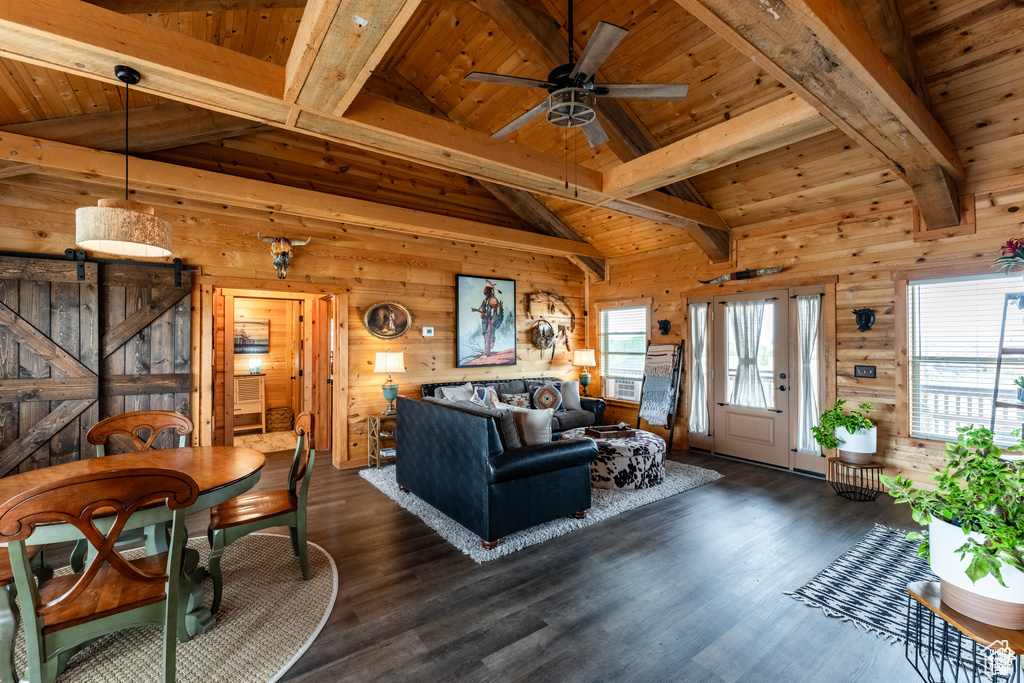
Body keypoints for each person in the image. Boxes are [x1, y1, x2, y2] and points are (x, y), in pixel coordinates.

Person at [471, 280, 504, 357]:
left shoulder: (492, 299)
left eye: (485, 289)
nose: (484, 290)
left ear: (488, 291)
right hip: (485, 320)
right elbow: (484, 310)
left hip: (490, 320)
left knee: (489, 334)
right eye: (484, 289)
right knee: (485, 335)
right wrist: (483, 315)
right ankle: (486, 351)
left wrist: (488, 315)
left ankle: (487, 352)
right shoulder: (485, 300)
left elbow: (495, 310)